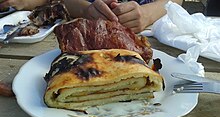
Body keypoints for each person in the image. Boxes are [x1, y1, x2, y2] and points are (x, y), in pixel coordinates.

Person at [0, 0, 183, 33]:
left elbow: (176, 1)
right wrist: (85, 10)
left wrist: (148, 13)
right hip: (81, 34)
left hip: (152, 36)